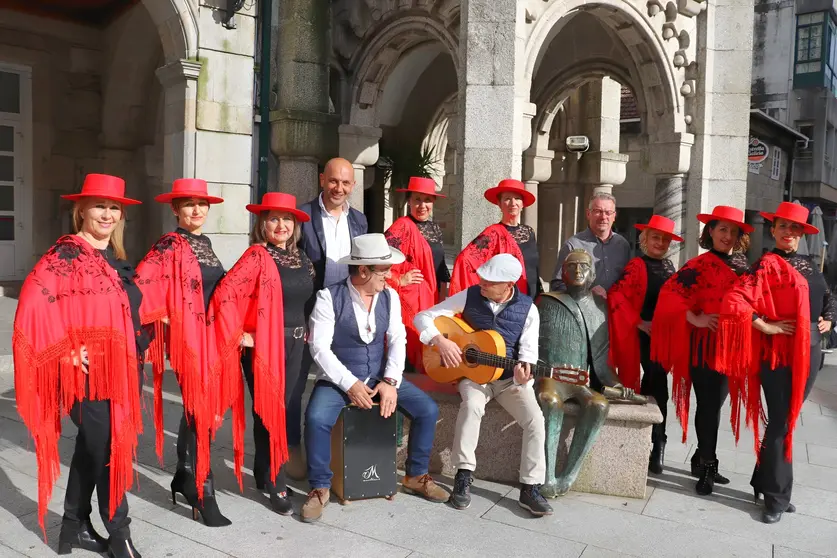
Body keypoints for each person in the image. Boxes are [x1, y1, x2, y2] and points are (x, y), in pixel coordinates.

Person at [13, 174, 147, 557]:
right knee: (107, 448)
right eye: (99, 206)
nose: (107, 214)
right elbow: (33, 305)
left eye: (114, 207)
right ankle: (119, 532)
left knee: (93, 446)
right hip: (86, 376)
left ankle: (73, 527)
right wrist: (64, 351)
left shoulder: (115, 260)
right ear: (81, 210)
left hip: (122, 371)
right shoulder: (66, 254)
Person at [302, 233, 448, 522]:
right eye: (384, 270)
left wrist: (391, 381)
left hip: (380, 376)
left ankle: (416, 476)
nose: (389, 275)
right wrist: (350, 384)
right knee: (316, 418)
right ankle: (320, 487)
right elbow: (319, 348)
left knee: (427, 410)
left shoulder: (390, 297)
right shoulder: (328, 297)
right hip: (338, 379)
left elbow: (397, 339)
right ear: (363, 270)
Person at [716, 202, 836, 524]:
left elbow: (827, 297)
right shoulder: (765, 264)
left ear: (801, 233)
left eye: (795, 227)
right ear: (773, 230)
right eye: (783, 226)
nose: (788, 232)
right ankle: (777, 496)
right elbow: (735, 299)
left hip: (811, 349)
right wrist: (765, 326)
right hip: (779, 352)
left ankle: (764, 481)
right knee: (782, 421)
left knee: (785, 419)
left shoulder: (809, 264)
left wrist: (829, 318)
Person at [415, 253, 553, 517]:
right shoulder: (470, 295)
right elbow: (423, 317)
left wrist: (524, 375)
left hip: (509, 380)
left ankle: (530, 487)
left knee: (535, 419)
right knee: (472, 406)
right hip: (473, 377)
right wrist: (440, 341)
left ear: (509, 285)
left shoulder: (528, 309)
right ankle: (463, 474)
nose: (482, 284)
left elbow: (528, 355)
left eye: (489, 281)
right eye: (483, 278)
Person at [211, 192, 315, 516]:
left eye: (287, 219)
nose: (281, 225)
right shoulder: (256, 256)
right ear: (262, 224)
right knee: (273, 412)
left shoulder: (301, 258)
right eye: (274, 219)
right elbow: (225, 293)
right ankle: (277, 482)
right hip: (265, 346)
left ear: (295, 224)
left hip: (297, 344)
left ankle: (262, 473)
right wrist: (242, 333)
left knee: (273, 411)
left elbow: (305, 300)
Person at [136, 178, 231, 526]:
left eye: (202, 204)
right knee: (201, 409)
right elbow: (142, 283)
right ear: (176, 209)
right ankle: (203, 488)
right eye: (189, 204)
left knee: (199, 409)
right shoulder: (169, 244)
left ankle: (184, 474)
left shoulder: (204, 243)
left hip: (211, 338)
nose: (197, 210)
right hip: (187, 340)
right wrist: (165, 314)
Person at [651, 206, 752, 495]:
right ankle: (708, 465)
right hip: (704, 348)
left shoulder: (744, 266)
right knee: (708, 406)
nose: (727, 236)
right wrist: (695, 318)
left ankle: (700, 456)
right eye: (722, 229)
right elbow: (670, 294)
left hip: (731, 348)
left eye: (733, 231)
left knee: (715, 405)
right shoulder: (698, 265)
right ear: (711, 231)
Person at [292, 157, 369, 479]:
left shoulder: (360, 220)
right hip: (305, 311)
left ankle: (337, 448)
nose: (339, 188)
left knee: (341, 377)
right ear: (322, 179)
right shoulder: (303, 215)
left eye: (345, 183)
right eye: (334, 181)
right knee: (296, 383)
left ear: (353, 185)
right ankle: (291, 447)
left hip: (344, 313)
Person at [607, 215, 679, 474]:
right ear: (645, 239)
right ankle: (652, 444)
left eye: (665, 239)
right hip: (639, 336)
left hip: (662, 337)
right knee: (651, 387)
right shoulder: (637, 265)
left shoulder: (669, 267)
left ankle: (653, 442)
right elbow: (616, 295)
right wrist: (639, 323)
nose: (660, 243)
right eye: (655, 237)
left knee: (655, 388)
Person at [384, 176, 451, 373]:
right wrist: (398, 279)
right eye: (417, 200)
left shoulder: (434, 228)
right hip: (410, 300)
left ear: (433, 202)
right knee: (411, 345)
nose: (422, 205)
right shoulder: (402, 226)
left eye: (427, 200)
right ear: (409, 201)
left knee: (428, 344)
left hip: (432, 297)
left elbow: (440, 265)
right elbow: (378, 257)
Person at [449, 179, 542, 297]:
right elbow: (465, 260)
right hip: (508, 296)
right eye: (507, 199)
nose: (513, 203)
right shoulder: (492, 234)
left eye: (517, 198)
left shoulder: (529, 232)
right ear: (499, 203)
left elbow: (534, 267)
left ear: (522, 204)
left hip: (532, 293)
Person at [550, 192, 631, 296]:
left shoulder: (622, 245)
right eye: (598, 211)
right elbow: (557, 284)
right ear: (588, 214)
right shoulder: (572, 245)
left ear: (614, 216)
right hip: (583, 305)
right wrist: (586, 293)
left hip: (616, 305)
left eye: (608, 212)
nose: (603, 217)